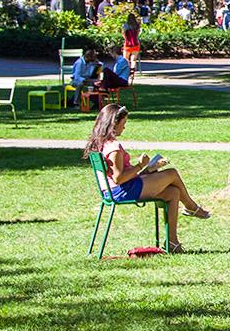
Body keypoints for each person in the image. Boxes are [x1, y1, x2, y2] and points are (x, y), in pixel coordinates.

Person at [84, 105, 209, 252]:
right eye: (123, 124)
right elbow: (118, 178)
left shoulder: (101, 143)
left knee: (173, 192)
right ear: (114, 123)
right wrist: (139, 166)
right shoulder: (114, 147)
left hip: (112, 190)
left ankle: (173, 243)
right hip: (121, 190)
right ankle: (191, 207)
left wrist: (149, 168)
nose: (124, 128)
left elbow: (120, 175)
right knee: (172, 173)